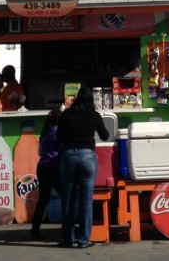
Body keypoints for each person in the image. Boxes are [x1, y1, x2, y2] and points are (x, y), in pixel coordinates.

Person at [56, 88, 109, 249]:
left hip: (68, 157)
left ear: (77, 98)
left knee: (68, 200)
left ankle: (67, 240)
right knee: (86, 201)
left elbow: (59, 137)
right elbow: (105, 135)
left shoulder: (66, 114)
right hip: (87, 157)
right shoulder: (94, 115)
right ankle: (84, 241)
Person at [30, 107, 63, 240]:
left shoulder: (45, 133)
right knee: (65, 196)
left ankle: (35, 230)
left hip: (42, 168)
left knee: (43, 199)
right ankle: (68, 228)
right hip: (53, 168)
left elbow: (40, 153)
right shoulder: (59, 132)